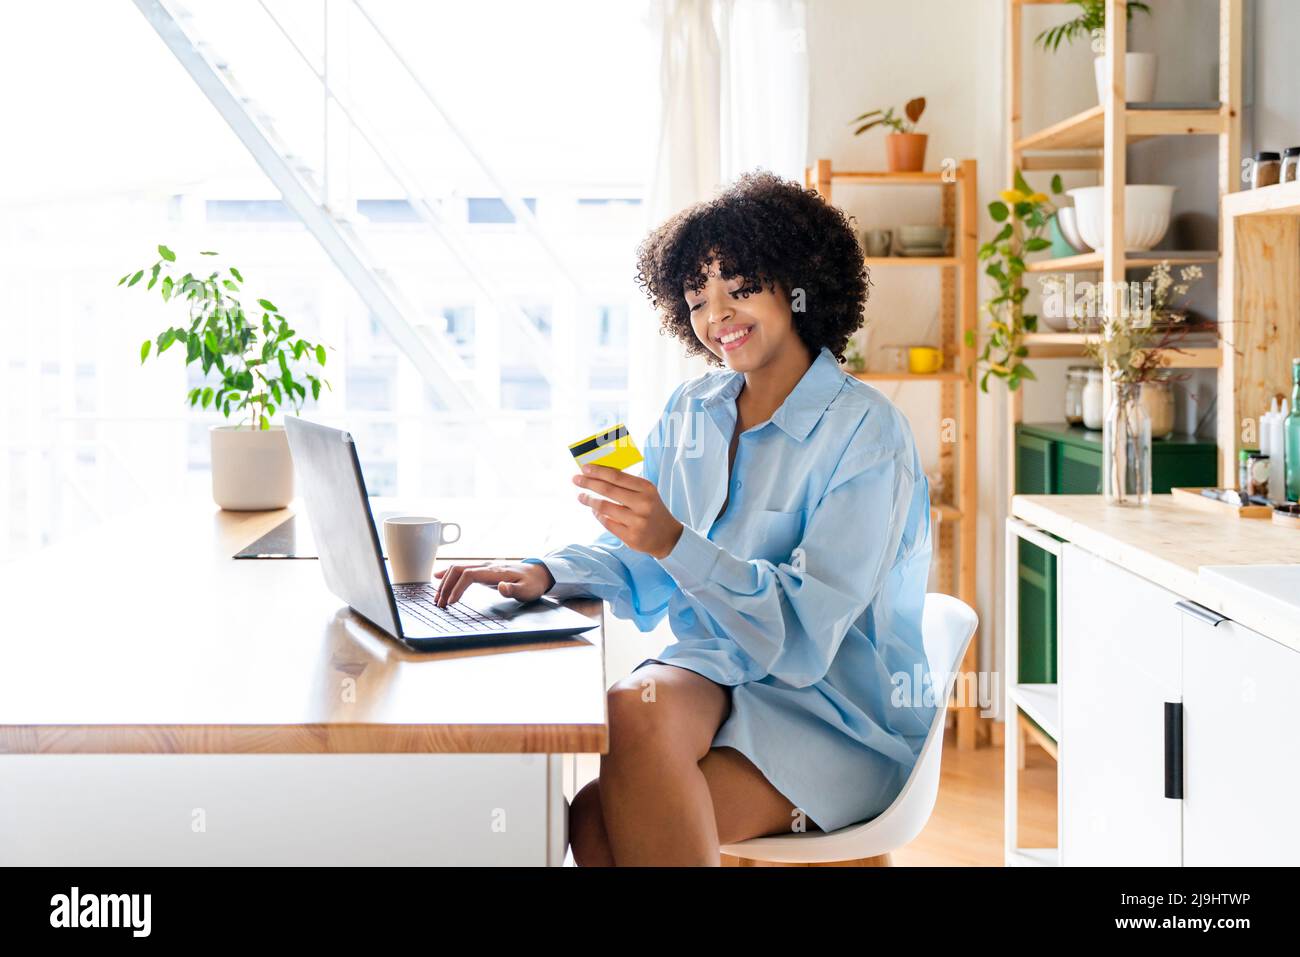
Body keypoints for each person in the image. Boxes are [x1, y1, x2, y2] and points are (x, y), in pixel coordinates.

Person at [434, 170, 935, 866]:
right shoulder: (693, 408)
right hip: (720, 673)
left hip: (829, 711)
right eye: (699, 299)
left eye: (740, 286)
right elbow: (648, 557)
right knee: (629, 707)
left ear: (796, 281)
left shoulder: (868, 433)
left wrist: (674, 539)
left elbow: (801, 634)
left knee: (599, 824)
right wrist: (544, 569)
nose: (718, 314)